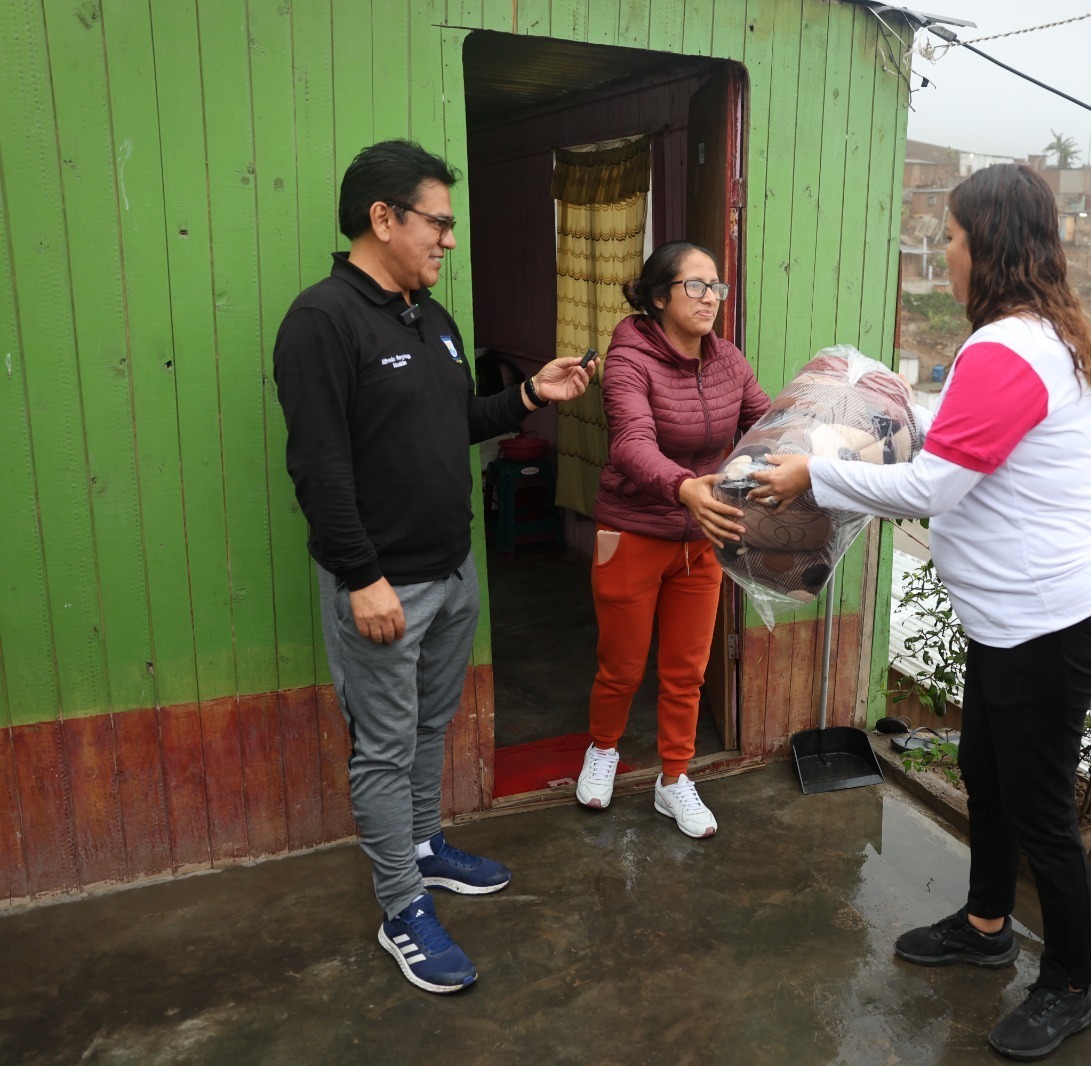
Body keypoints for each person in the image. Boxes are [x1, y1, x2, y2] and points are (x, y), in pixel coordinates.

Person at [751, 164, 1091, 1061]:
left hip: (1045, 626)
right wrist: (876, 403)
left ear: (986, 246)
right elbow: (957, 431)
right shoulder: (1032, 338)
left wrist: (814, 471)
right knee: (988, 777)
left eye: (950, 239)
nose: (943, 255)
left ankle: (1072, 980)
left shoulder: (1007, 349)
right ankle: (987, 923)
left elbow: (935, 482)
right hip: (1015, 621)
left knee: (1038, 808)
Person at [273, 139, 591, 994]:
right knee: (381, 747)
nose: (449, 240)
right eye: (438, 223)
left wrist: (529, 396)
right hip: (384, 582)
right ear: (383, 218)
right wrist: (362, 577)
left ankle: (422, 844)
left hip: (452, 573)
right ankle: (402, 908)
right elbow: (319, 466)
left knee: (426, 726)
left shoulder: (432, 320)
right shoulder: (323, 320)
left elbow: (453, 423)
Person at [572, 241, 770, 838]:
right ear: (660, 297)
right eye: (696, 286)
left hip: (702, 538)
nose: (711, 298)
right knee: (623, 666)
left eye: (717, 287)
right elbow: (631, 443)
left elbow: (766, 425)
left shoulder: (729, 361)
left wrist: (823, 451)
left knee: (687, 670)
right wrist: (685, 487)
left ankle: (674, 779)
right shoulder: (629, 357)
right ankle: (603, 749)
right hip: (632, 531)